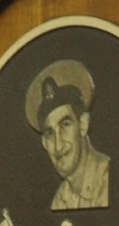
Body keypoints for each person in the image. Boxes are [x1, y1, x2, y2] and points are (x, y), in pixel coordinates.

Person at [27, 64, 110, 210]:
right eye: (50, 133)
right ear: (44, 143)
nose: (58, 145)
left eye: (65, 125)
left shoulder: (110, 181)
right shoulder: (61, 199)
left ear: (83, 125)